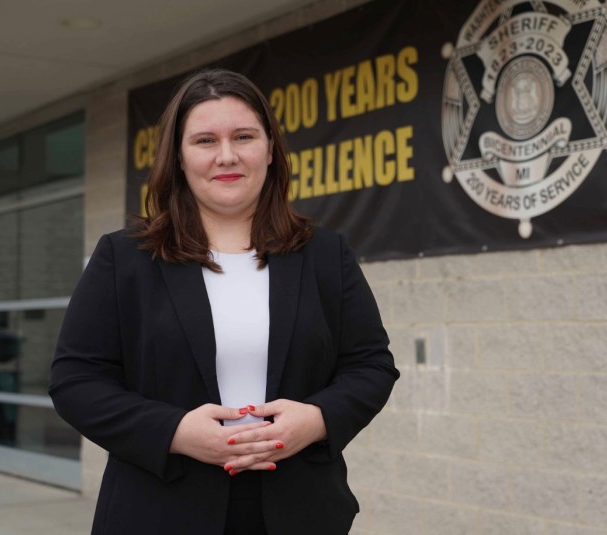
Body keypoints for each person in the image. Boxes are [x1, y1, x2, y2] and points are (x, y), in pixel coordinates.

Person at [49, 68, 399, 535]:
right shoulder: (126, 256)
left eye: (244, 136)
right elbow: (75, 380)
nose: (227, 156)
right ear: (178, 156)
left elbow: (371, 365)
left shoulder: (323, 254)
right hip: (158, 509)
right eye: (205, 141)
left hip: (299, 511)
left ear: (271, 150)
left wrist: (316, 420)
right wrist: (174, 432)